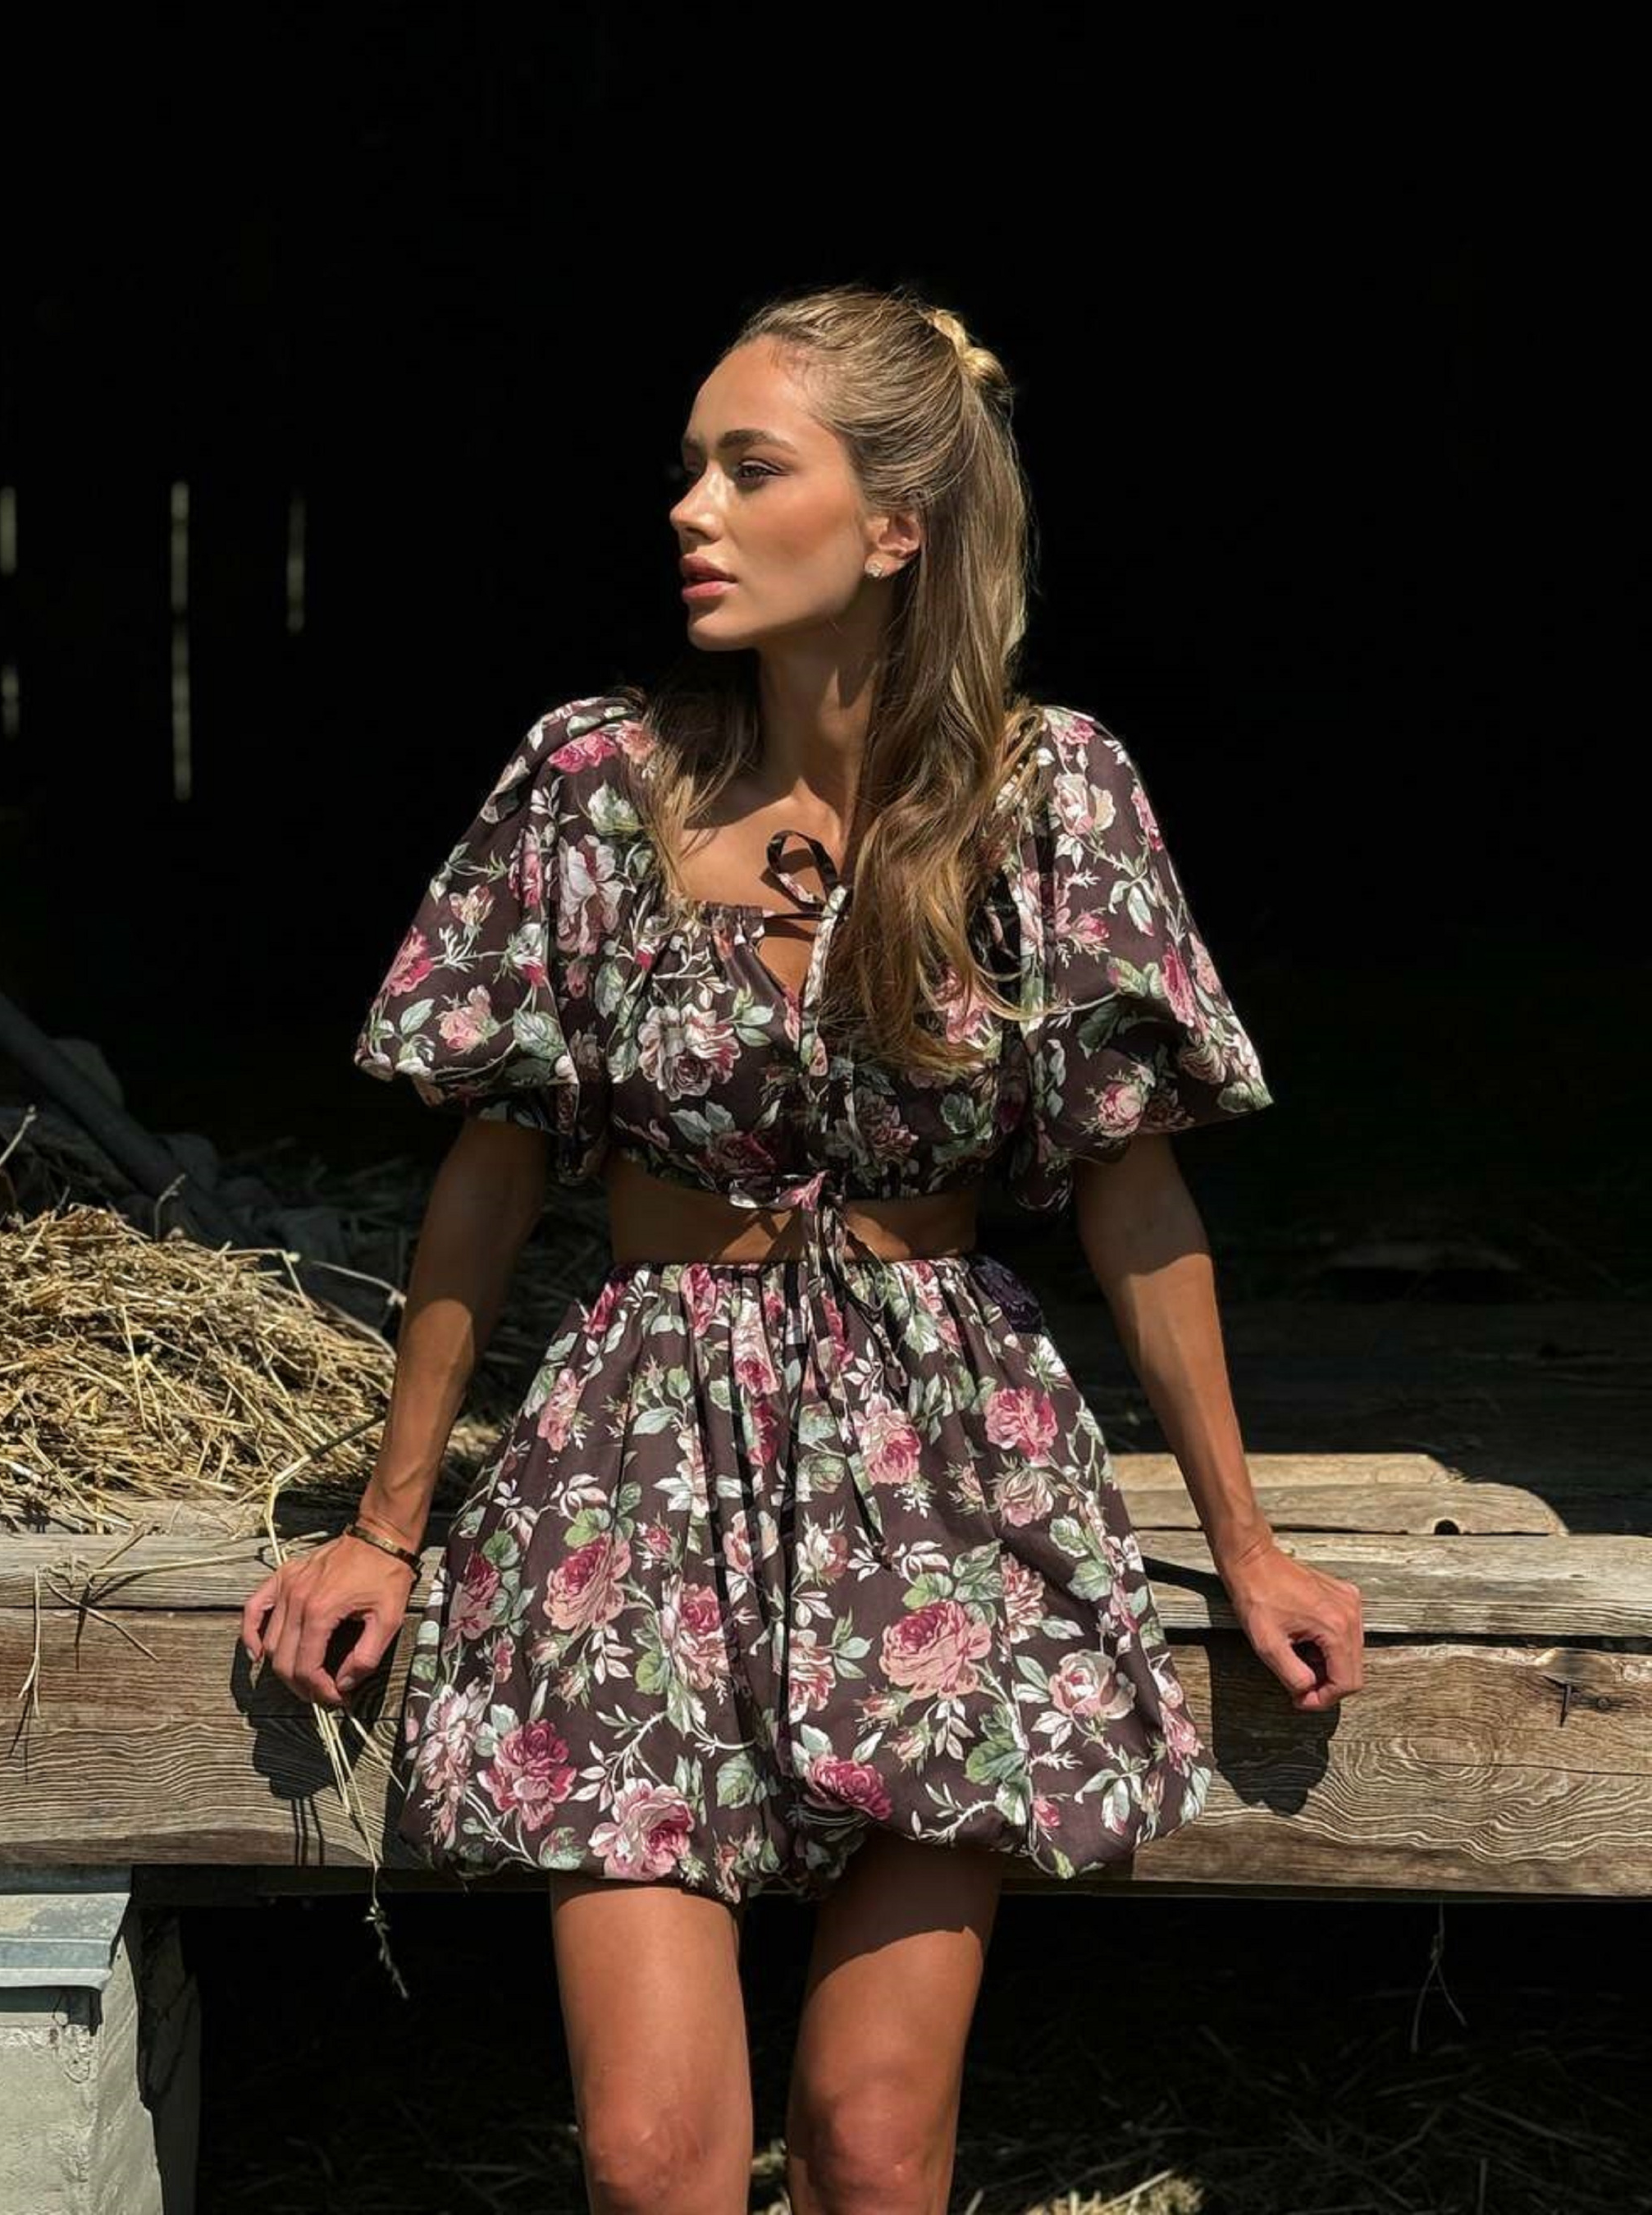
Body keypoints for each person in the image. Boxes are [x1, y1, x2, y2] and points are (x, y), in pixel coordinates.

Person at [241, 282, 1365, 2215]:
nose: (688, 509)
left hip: (945, 1466)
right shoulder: (591, 782)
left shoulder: (1048, 793)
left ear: (896, 523)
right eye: (688, 468)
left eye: (748, 468)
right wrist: (385, 1525)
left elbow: (1132, 1192)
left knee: (868, 2139)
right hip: (637, 1457)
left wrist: (1244, 1542)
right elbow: (490, 1177)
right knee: (651, 2157)